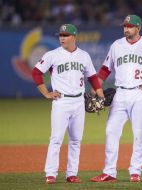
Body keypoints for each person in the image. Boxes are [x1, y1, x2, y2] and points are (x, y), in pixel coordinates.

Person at [90, 15, 142, 183]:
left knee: (139, 133)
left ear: (138, 28)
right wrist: (97, 86)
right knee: (111, 130)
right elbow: (104, 69)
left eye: (130, 26)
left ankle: (135, 171)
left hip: (141, 93)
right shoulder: (117, 45)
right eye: (125, 26)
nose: (126, 29)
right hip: (120, 93)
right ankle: (109, 172)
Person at [32, 24, 104, 184]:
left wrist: (100, 93)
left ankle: (71, 174)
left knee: (76, 140)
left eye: (65, 35)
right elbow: (36, 72)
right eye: (60, 35)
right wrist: (46, 93)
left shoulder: (84, 55)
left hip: (79, 101)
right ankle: (50, 174)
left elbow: (92, 77)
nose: (62, 38)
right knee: (56, 139)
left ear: (74, 37)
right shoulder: (52, 55)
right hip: (61, 101)